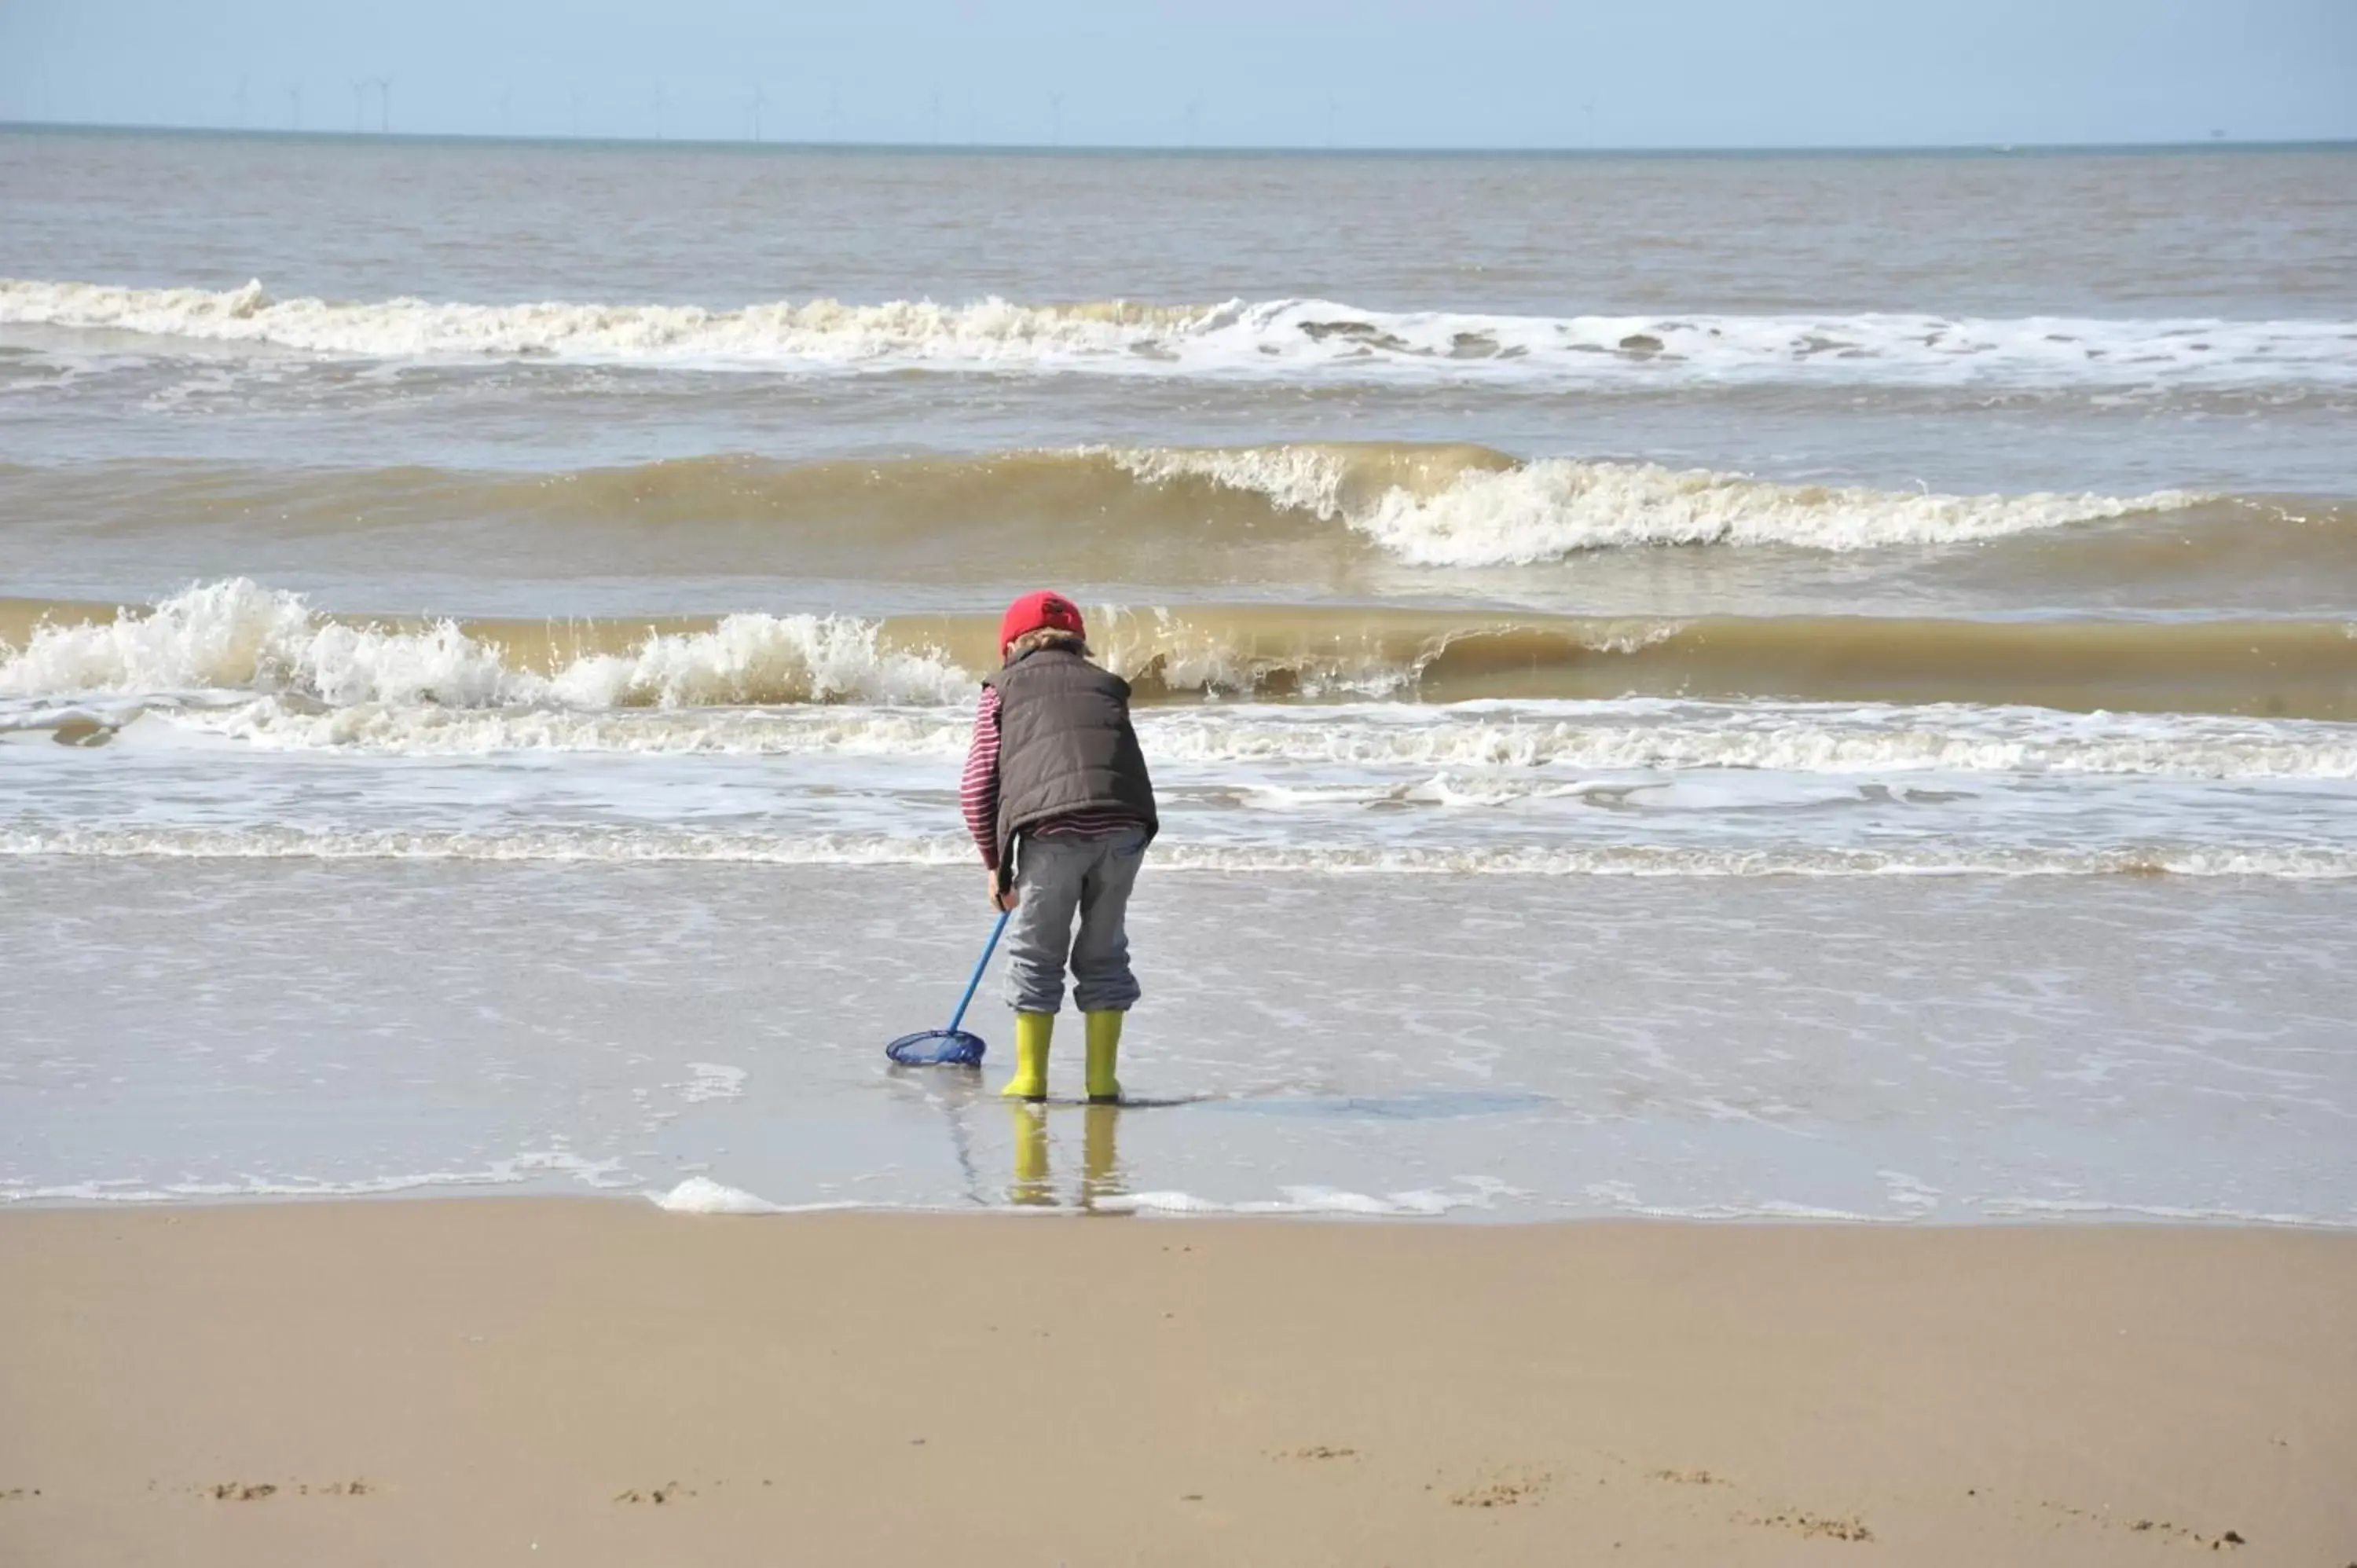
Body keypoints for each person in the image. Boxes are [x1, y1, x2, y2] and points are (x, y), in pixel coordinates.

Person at [959, 591, 1157, 1104]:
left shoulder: (1001, 689)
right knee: (1104, 948)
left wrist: (995, 866)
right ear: (1079, 644)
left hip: (1053, 832)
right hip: (1126, 825)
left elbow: (978, 785)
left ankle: (1031, 1079)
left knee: (1036, 951)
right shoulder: (1108, 685)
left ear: (1010, 646)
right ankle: (1101, 1082)